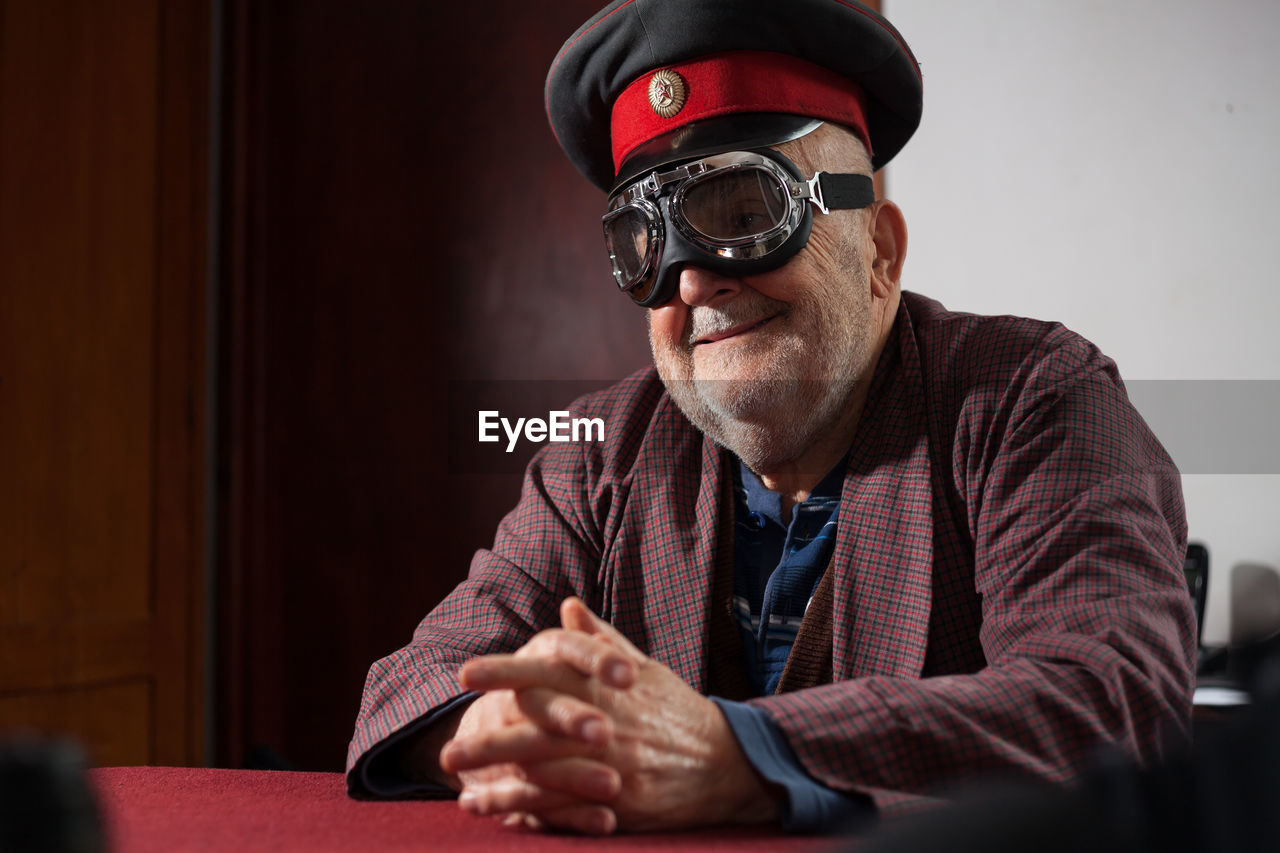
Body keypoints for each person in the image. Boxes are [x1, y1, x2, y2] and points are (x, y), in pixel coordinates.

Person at [346, 0, 1196, 836]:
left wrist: (737, 754)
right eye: (647, 243)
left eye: (747, 212)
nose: (690, 282)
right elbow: (409, 684)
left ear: (878, 251)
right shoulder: (600, 452)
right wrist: (499, 728)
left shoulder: (1034, 400)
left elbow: (1112, 701)